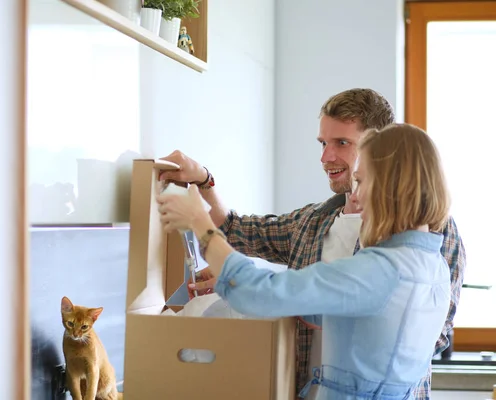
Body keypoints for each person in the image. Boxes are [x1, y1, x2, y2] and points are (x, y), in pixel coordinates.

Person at [157, 88, 466, 400]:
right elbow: (243, 235)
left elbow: (264, 294)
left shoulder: (388, 264)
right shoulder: (417, 253)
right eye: (323, 143)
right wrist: (205, 184)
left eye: (342, 143)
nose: (325, 157)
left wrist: (204, 229)